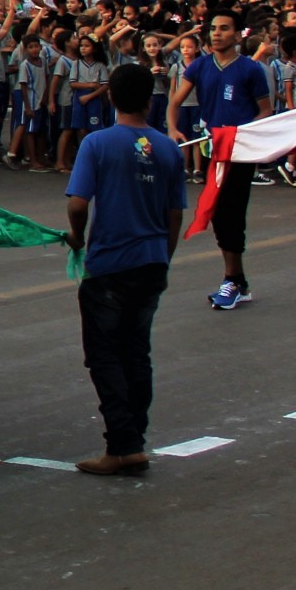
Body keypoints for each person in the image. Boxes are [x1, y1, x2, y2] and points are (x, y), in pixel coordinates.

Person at [65, 63, 186, 476]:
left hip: (110, 264)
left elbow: (78, 203)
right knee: (136, 352)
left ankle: (122, 444)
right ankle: (135, 439)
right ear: (150, 101)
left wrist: (77, 236)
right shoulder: (168, 148)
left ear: (112, 98)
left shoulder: (97, 143)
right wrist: (164, 257)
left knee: (104, 356)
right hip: (151, 260)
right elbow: (174, 214)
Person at [167, 20, 272, 309]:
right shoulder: (199, 66)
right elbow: (175, 102)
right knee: (219, 213)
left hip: (240, 152)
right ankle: (237, 280)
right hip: (213, 149)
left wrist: (240, 134)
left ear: (237, 35)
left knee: (230, 213)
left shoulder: (250, 69)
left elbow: (265, 111)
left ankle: (233, 281)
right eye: (213, 28)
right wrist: (173, 128)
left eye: (224, 28)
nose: (217, 33)